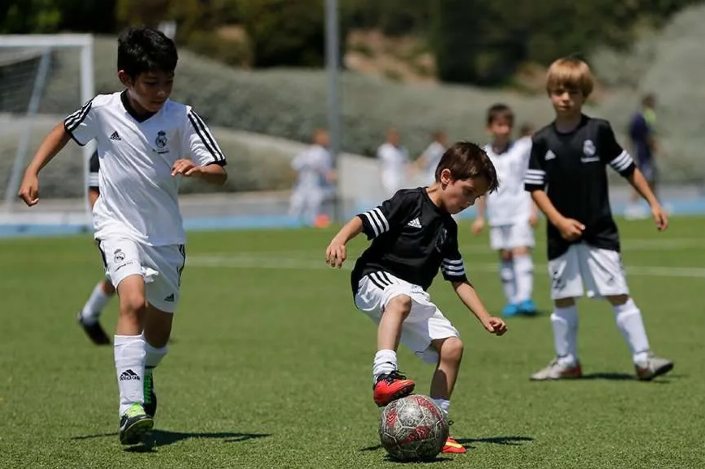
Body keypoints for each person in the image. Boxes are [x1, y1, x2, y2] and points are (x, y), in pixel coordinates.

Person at [18, 27, 228, 445]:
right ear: (125, 78)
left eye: (168, 81)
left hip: (165, 237)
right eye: (152, 83)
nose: (162, 91)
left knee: (160, 335)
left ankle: (145, 375)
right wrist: (31, 170)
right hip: (116, 225)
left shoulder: (183, 117)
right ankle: (130, 410)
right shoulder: (101, 109)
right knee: (130, 298)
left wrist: (198, 169)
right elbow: (62, 130)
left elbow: (220, 171)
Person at [325, 141, 507, 454]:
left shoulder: (449, 229)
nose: (468, 202)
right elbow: (364, 220)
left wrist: (484, 316)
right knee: (400, 300)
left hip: (411, 292)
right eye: (467, 192)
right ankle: (383, 376)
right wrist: (340, 239)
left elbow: (458, 279)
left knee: (452, 346)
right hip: (374, 277)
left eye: (475, 198)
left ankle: (438, 425)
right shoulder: (409, 201)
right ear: (447, 176)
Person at [524, 57, 673, 381]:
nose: (565, 97)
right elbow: (535, 189)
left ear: (585, 94)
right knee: (562, 298)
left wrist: (653, 202)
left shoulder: (598, 130)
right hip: (560, 236)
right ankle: (567, 362)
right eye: (559, 90)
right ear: (550, 93)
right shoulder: (541, 140)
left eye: (573, 91)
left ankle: (643, 359)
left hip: (600, 232)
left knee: (618, 293)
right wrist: (559, 222)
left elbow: (629, 168)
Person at [471, 104, 538, 316]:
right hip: (498, 214)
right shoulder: (484, 154)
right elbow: (481, 189)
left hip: (520, 209)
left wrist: (533, 209)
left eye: (508, 125)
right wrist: (480, 217)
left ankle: (524, 298)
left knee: (521, 250)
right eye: (499, 125)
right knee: (506, 255)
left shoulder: (521, 150)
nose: (504, 129)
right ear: (489, 127)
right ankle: (512, 300)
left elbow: (532, 179)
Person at [76, 151, 115, 345]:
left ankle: (89, 315)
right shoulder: (101, 152)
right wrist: (102, 224)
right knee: (128, 278)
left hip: (141, 225)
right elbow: (93, 191)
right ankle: (139, 335)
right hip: (114, 227)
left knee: (118, 278)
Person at [288, 129, 336, 227]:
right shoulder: (313, 152)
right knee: (299, 205)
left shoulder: (321, 153)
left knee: (311, 207)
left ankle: (311, 225)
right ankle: (296, 226)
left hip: (315, 186)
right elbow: (297, 165)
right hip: (305, 185)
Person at [625, 94, 659, 219]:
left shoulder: (642, 117)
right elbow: (646, 136)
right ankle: (632, 206)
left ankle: (656, 204)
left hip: (645, 154)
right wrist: (656, 147)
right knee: (640, 179)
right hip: (642, 154)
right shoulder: (644, 117)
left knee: (651, 180)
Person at [376, 128, 409, 197]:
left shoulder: (402, 150)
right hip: (387, 178)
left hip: (400, 179)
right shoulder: (384, 149)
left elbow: (405, 164)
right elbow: (380, 164)